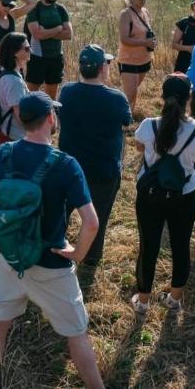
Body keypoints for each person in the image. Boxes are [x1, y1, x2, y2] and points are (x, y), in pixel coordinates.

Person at [0, 92, 127, 389]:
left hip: (11, 257)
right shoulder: (65, 164)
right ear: (51, 119)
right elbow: (90, 222)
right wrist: (77, 254)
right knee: (76, 332)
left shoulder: (3, 154)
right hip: (52, 263)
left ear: (22, 120)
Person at [131, 74, 195, 315]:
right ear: (189, 98)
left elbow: (139, 148)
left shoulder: (148, 126)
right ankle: (174, 300)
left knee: (148, 246)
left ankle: (143, 301)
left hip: (150, 195)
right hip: (184, 194)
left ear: (162, 96)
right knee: (181, 244)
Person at [58, 45, 133, 268]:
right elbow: (127, 122)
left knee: (61, 211)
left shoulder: (67, 92)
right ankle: (90, 259)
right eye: (107, 64)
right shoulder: (117, 98)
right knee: (98, 215)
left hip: (70, 168)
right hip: (104, 169)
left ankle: (54, 247)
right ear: (102, 68)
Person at [25, 0, 72, 99]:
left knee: (51, 98)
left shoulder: (61, 9)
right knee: (32, 96)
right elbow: (37, 34)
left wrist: (47, 33)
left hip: (56, 57)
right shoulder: (35, 9)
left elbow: (68, 35)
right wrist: (58, 29)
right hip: (37, 57)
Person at [116, 0, 156, 114]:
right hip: (128, 60)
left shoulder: (145, 12)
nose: (142, 0)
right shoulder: (125, 15)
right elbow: (125, 39)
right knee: (130, 94)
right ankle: (121, 119)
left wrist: (152, 42)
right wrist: (145, 42)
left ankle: (129, 116)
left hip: (144, 59)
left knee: (133, 92)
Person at [0, 33, 31, 143]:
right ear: (15, 52)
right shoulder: (14, 81)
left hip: (8, 133)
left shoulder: (6, 72)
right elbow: (19, 114)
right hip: (14, 137)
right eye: (27, 48)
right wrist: (34, 132)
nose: (30, 50)